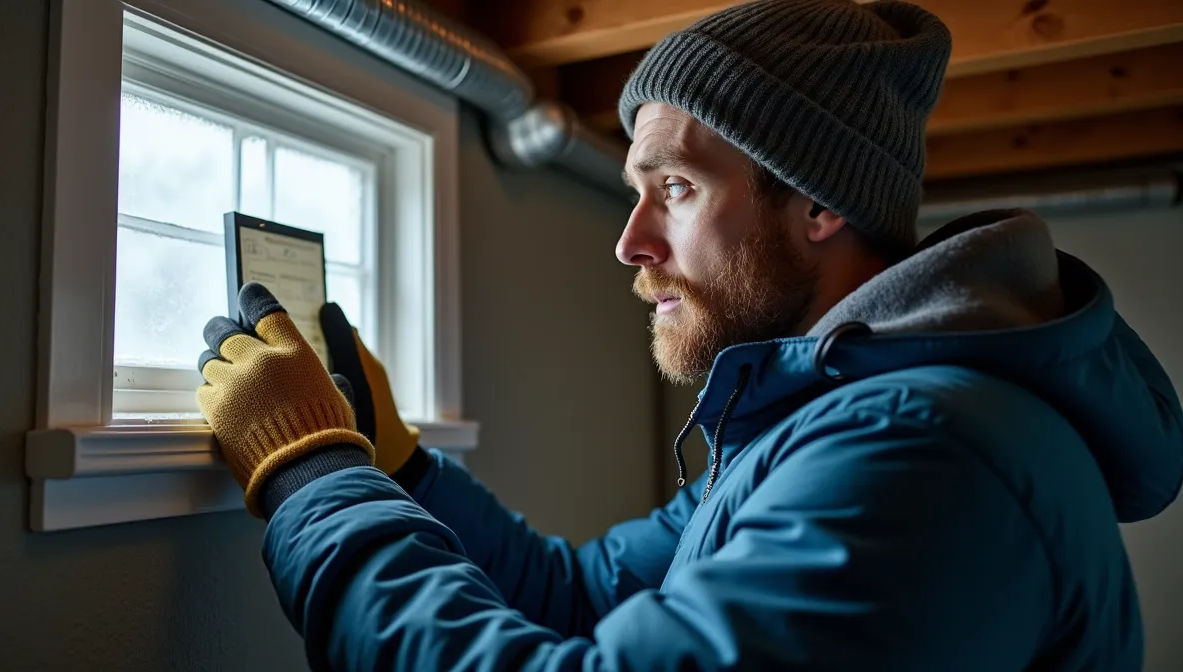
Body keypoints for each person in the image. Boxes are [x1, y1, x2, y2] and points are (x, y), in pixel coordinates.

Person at [194, 0, 1183, 669]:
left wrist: (312, 476)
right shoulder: (826, 420)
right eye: (637, 192)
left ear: (818, 205)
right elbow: (581, 597)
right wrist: (402, 469)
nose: (630, 243)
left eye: (675, 187)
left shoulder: (919, 454)